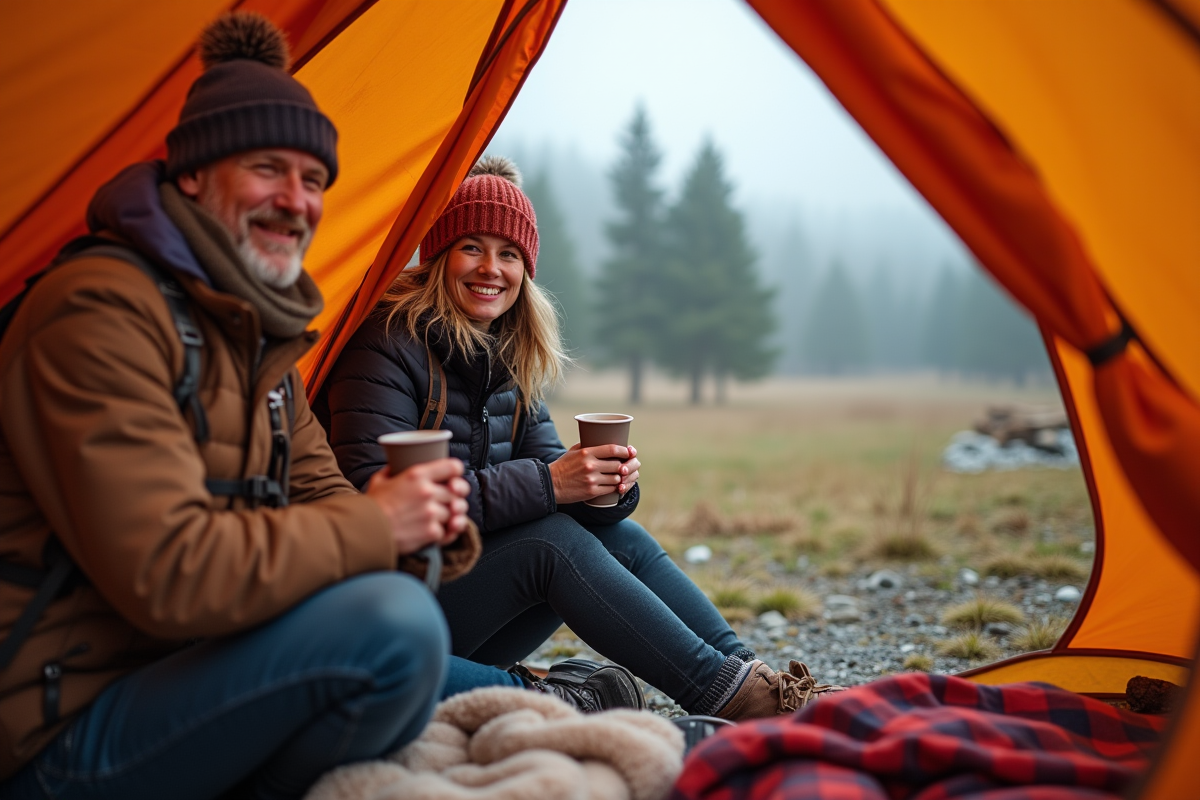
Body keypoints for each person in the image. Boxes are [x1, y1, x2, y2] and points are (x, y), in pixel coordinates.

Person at [0, 13, 474, 800]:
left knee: (410, 637)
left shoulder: (256, 334)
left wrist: (424, 523)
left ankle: (558, 695)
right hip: (54, 725)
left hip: (180, 669)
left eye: (314, 181)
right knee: (395, 633)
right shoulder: (97, 311)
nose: (296, 201)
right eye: (267, 169)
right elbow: (167, 571)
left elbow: (327, 503)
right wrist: (376, 526)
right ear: (193, 175)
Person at [318, 155, 843, 723]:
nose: (491, 268)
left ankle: (755, 679)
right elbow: (376, 496)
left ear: (526, 269)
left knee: (619, 536)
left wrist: (605, 488)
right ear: (439, 254)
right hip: (397, 607)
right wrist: (551, 483)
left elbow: (551, 470)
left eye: (509, 253)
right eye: (472, 247)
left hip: (461, 598)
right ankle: (731, 699)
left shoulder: (508, 351)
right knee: (549, 543)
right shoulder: (386, 342)